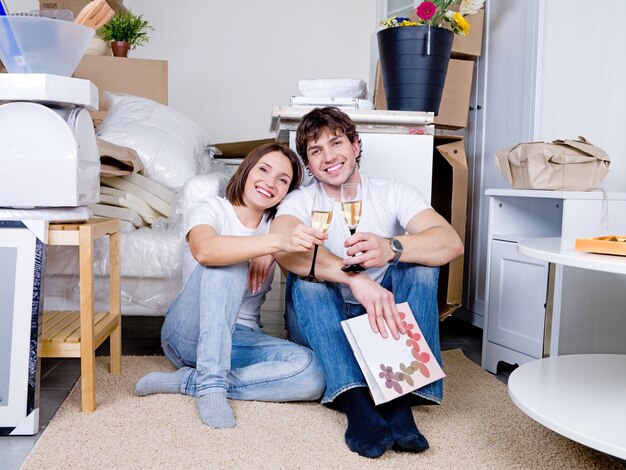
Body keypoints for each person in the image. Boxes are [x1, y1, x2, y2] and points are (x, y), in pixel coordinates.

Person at [270, 107, 464, 458]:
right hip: (322, 318)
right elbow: (284, 249)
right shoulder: (302, 200)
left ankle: (398, 398)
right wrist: (353, 279)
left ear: (356, 145)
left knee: (421, 265)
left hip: (383, 318)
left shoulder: (394, 192)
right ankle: (356, 402)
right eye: (316, 151)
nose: (329, 157)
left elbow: (449, 242)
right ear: (309, 165)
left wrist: (392, 247)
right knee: (309, 279)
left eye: (336, 143)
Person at [134, 143, 327, 429]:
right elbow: (205, 250)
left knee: (312, 373)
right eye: (264, 169)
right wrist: (268, 245)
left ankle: (191, 382)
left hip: (241, 336)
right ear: (247, 170)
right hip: (189, 333)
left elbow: (302, 278)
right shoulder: (212, 208)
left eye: (282, 180)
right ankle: (210, 386)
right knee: (229, 258)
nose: (270, 183)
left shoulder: (278, 228)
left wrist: (277, 246)